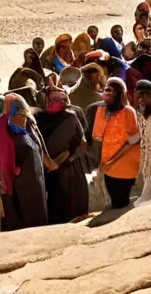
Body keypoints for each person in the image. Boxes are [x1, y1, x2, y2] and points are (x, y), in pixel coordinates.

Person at [0, 94, 48, 230]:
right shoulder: (4, 129)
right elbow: (6, 158)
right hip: (23, 182)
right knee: (29, 216)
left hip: (36, 179)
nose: (25, 120)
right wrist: (15, 170)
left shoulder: (23, 130)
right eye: (21, 116)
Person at [35, 84, 89, 224]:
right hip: (68, 168)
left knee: (56, 204)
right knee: (70, 205)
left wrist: (52, 161)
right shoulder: (70, 117)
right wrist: (64, 157)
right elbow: (82, 143)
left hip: (47, 169)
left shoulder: (35, 118)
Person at [92, 78, 141, 209]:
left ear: (119, 93)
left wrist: (113, 159)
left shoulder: (128, 112)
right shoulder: (102, 111)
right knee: (114, 201)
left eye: (110, 90)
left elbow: (133, 140)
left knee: (121, 202)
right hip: (108, 166)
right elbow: (98, 137)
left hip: (125, 165)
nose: (106, 93)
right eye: (105, 89)